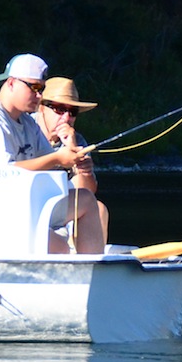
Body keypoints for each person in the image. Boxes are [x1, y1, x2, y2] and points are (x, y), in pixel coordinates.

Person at [0, 54, 101, 253]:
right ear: (12, 83)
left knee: (86, 201)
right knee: (59, 249)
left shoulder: (28, 124)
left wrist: (75, 161)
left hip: (23, 209)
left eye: (41, 89)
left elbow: (52, 161)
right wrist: (59, 158)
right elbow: (4, 172)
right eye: (34, 88)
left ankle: (94, 275)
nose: (39, 96)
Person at [33, 76, 109, 249]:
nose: (66, 117)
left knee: (100, 209)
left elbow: (86, 192)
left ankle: (90, 266)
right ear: (42, 108)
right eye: (59, 109)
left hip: (61, 208)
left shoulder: (77, 140)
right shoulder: (28, 130)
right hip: (33, 204)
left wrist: (82, 166)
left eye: (72, 112)